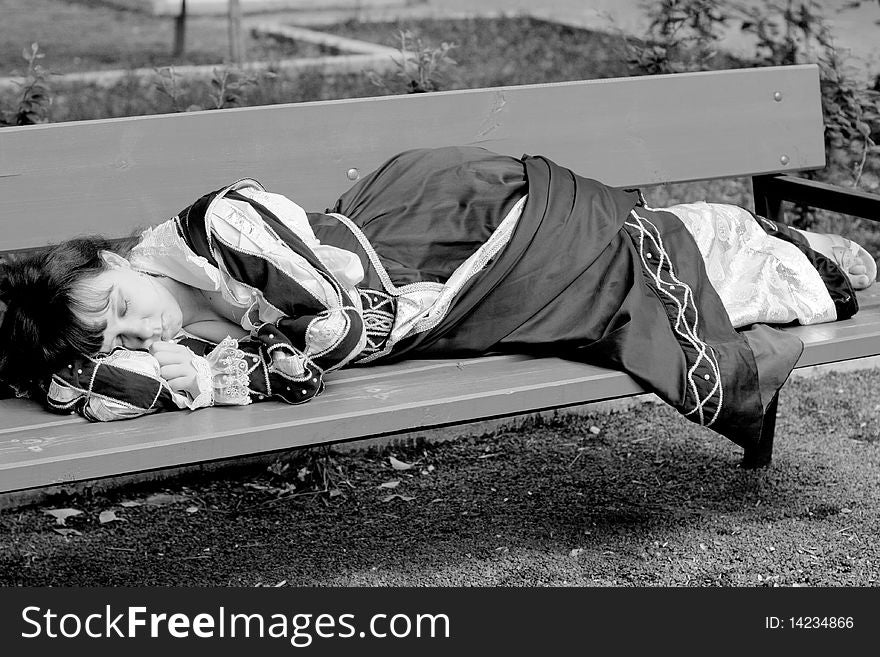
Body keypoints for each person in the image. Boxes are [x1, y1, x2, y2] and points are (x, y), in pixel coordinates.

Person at [0, 147, 875, 452]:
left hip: (435, 231)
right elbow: (96, 386)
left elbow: (343, 310)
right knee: (588, 300)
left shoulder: (217, 227)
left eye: (114, 299)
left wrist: (277, 349)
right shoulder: (157, 330)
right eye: (109, 332)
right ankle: (777, 260)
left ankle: (783, 256)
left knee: (601, 267)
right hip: (434, 300)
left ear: (115, 255)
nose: (132, 325)